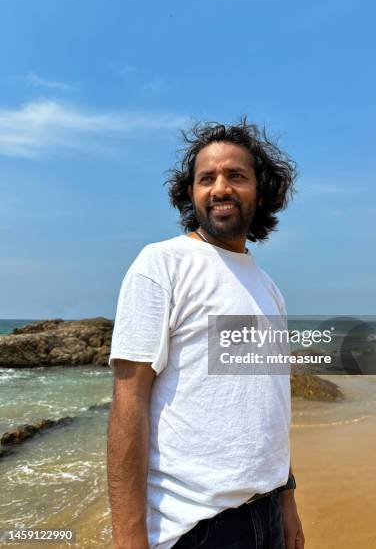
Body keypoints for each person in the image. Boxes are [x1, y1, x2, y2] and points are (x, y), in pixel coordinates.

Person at [107, 119, 305, 549]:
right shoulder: (161, 264)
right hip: (196, 527)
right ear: (190, 192)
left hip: (267, 513)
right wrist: (128, 538)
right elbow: (129, 401)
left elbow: (268, 405)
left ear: (262, 190)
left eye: (236, 176)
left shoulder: (268, 288)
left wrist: (287, 502)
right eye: (206, 178)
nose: (220, 188)